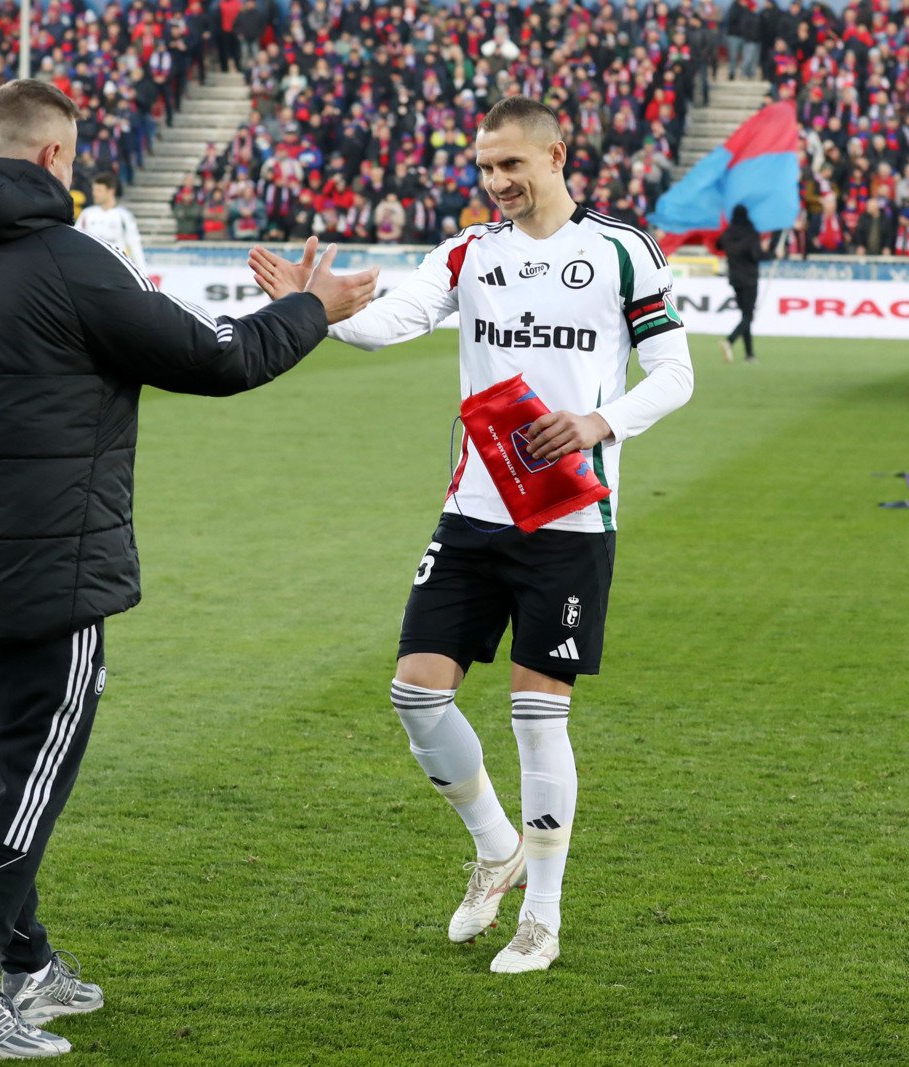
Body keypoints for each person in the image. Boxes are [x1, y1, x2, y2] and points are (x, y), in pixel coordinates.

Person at [0, 79, 375, 1058]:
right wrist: (309, 310)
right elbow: (217, 359)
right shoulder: (74, 265)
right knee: (27, 776)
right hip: (53, 577)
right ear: (58, 159)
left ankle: (25, 966)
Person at [249, 96, 694, 974]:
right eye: (485, 168)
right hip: (474, 512)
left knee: (537, 719)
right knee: (416, 693)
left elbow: (673, 373)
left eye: (511, 166)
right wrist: (316, 309)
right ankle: (498, 849)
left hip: (568, 519)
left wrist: (599, 422)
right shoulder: (468, 253)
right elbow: (391, 324)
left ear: (556, 154)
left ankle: (545, 919)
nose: (495, 184)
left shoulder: (618, 250)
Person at [717, 204, 770, 363]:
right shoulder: (751, 234)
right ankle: (730, 341)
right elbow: (757, 255)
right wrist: (772, 252)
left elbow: (718, 244)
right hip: (750, 279)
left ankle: (749, 354)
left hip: (735, 279)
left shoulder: (729, 233)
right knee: (748, 316)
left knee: (745, 316)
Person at [72, 171, 147, 276]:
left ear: (111, 191)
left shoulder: (123, 216)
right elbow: (75, 243)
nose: (94, 193)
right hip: (92, 272)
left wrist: (143, 273)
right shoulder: (87, 214)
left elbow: (134, 245)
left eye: (99, 190)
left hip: (117, 272)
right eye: (94, 189)